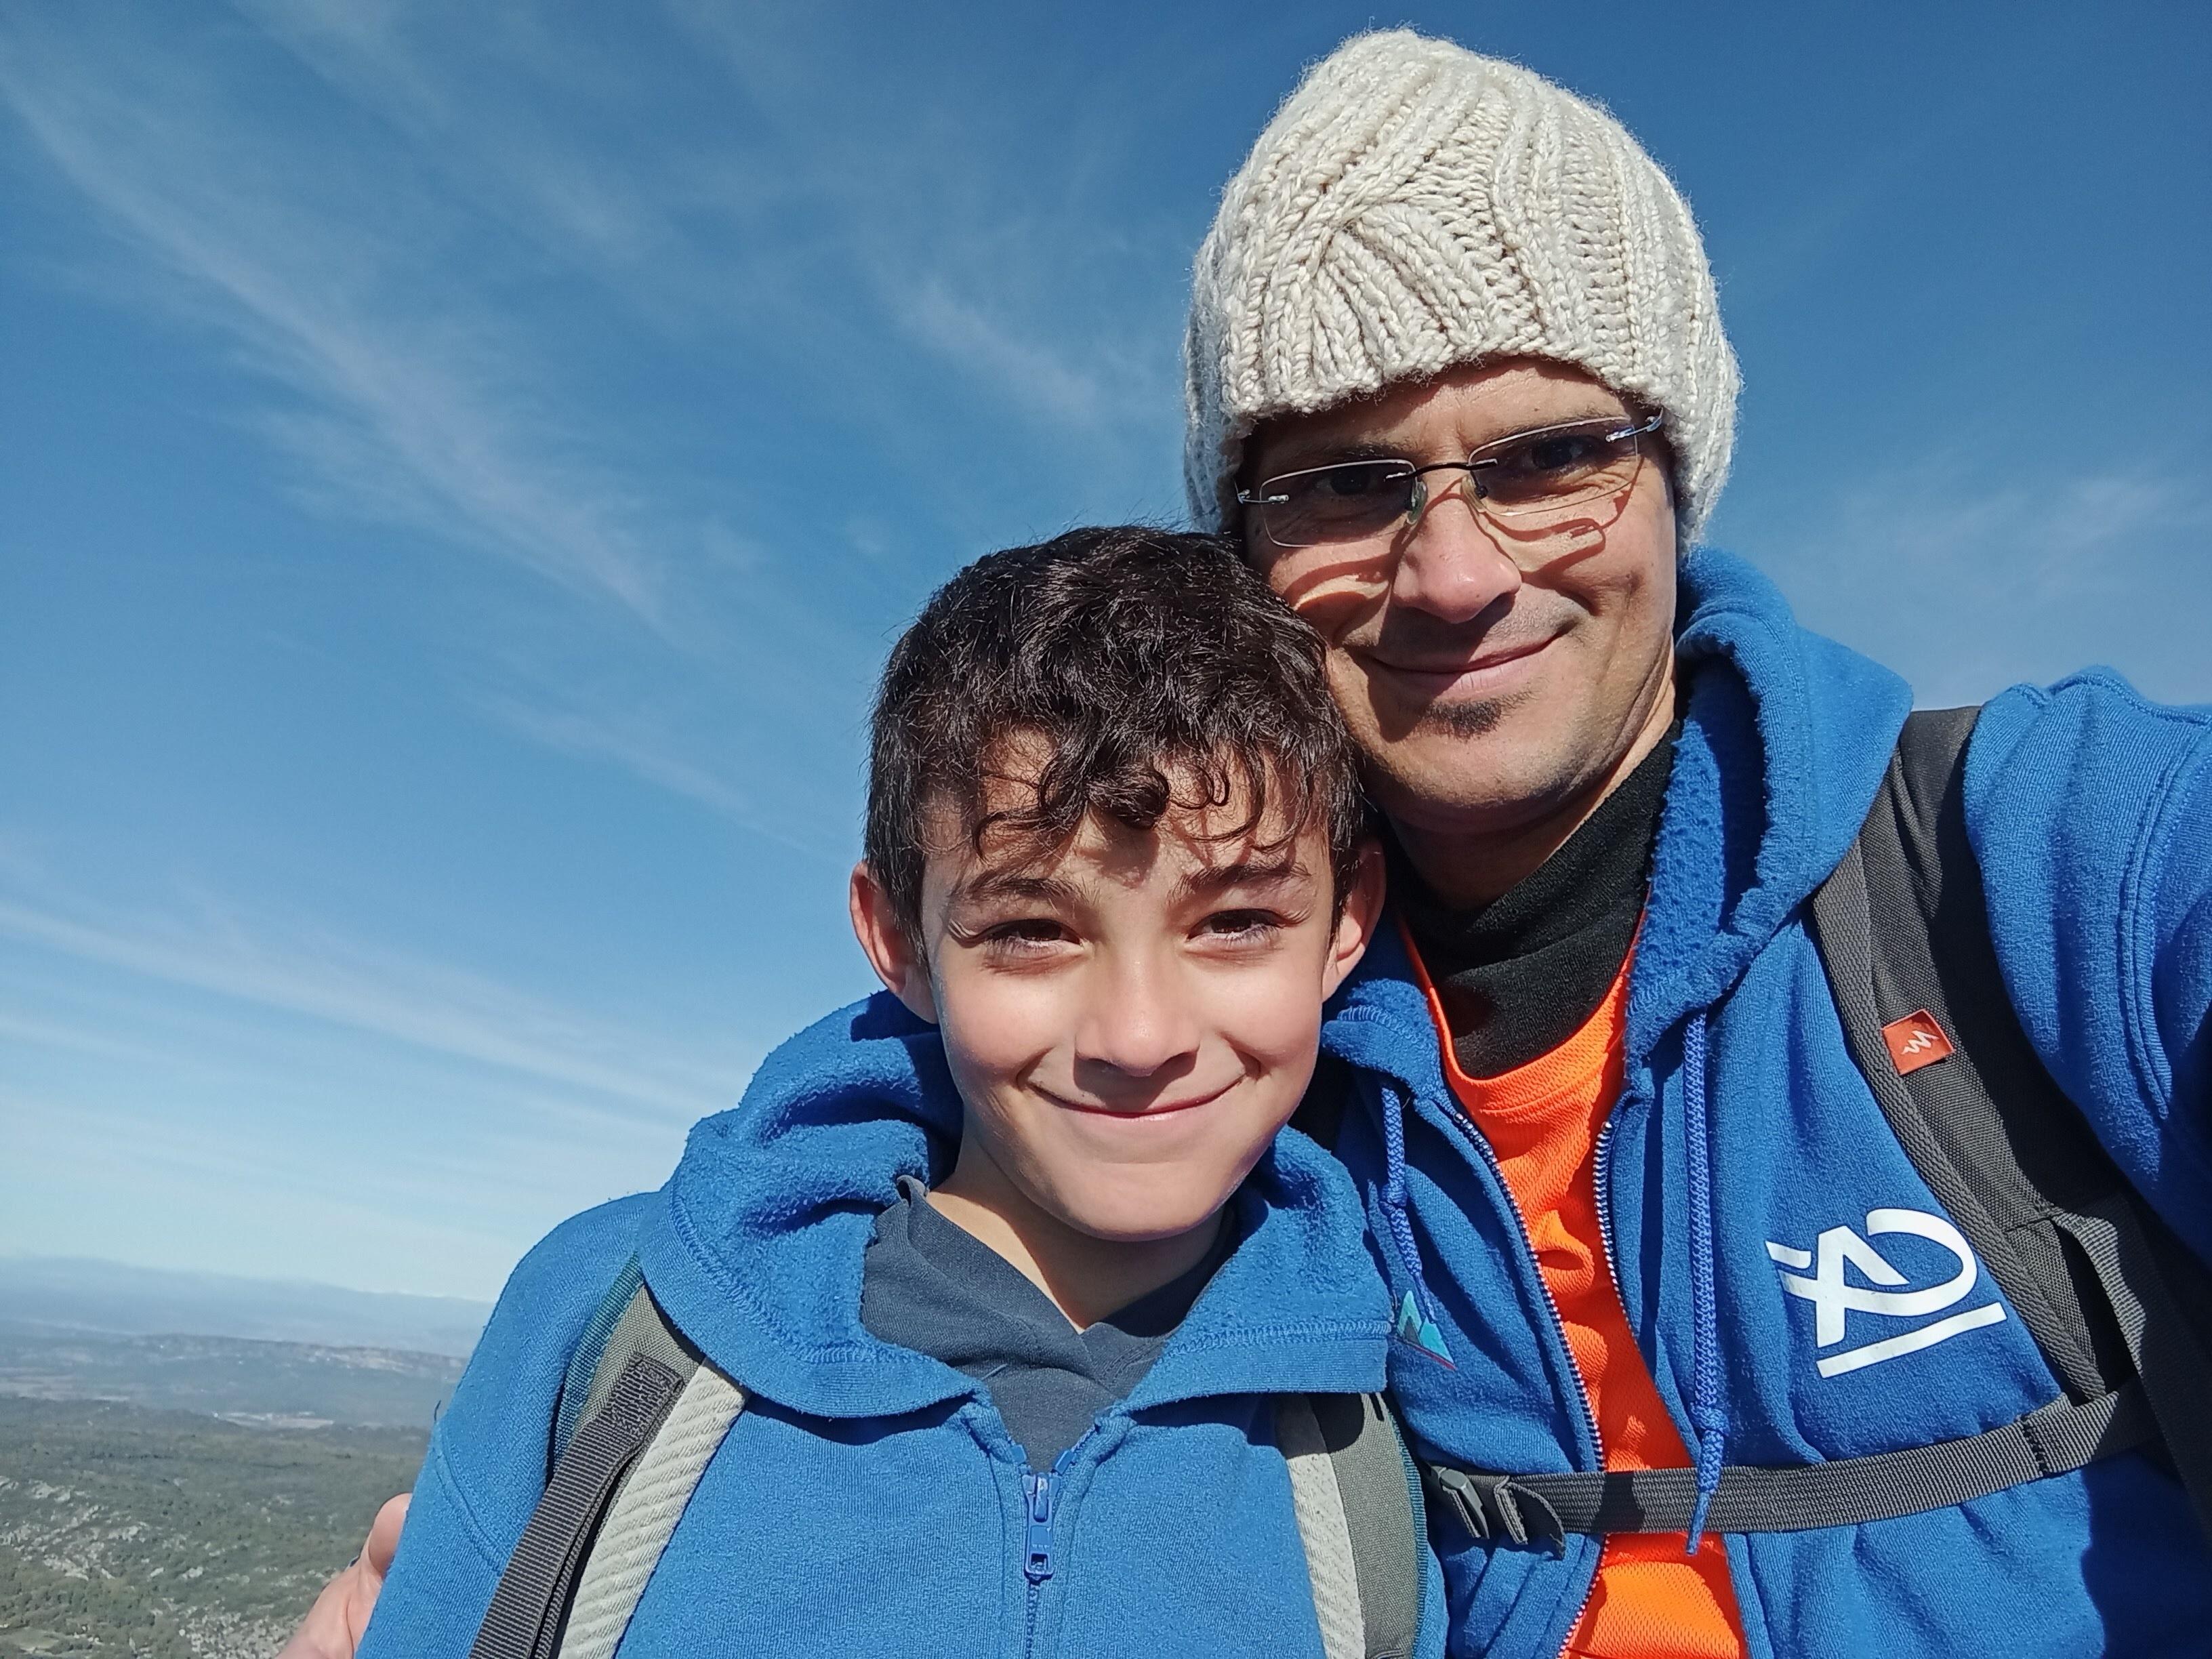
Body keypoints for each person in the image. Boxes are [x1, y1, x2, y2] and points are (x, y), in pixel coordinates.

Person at [298, 26, 2212, 1659]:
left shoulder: (2032, 864)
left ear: (1673, 468)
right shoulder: (1243, 1069)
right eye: (1347, 483)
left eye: (1551, 456)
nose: (1454, 571)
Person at [348, 527, 1443, 1658]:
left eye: (1237, 921)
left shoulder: (1367, 1425)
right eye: (1030, 930)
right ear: (899, 943)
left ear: (1345, 922)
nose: (1140, 1036)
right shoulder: (616, 1321)